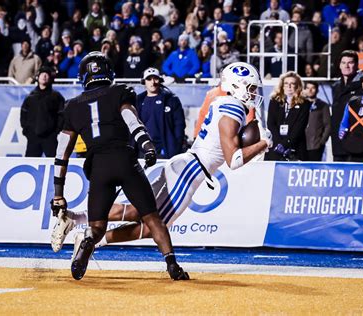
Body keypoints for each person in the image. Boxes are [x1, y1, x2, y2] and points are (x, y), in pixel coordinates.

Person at [51, 62, 272, 261]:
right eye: (250, 87)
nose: (253, 93)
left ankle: (75, 218)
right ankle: (94, 240)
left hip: (186, 164)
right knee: (154, 226)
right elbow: (233, 159)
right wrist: (264, 143)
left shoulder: (223, 102)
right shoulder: (232, 107)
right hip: (191, 170)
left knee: (141, 212)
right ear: (237, 85)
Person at [50, 52, 189, 281]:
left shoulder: (73, 106)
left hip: (99, 168)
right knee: (153, 218)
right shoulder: (120, 92)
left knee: (97, 227)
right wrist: (147, 145)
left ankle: (88, 242)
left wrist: (58, 195)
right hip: (125, 160)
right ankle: (171, 263)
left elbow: (61, 153)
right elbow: (131, 120)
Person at [136, 67, 185, 159]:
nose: (152, 82)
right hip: (144, 149)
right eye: (149, 79)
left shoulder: (171, 100)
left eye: (155, 78)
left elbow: (179, 125)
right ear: (144, 82)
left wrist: (176, 146)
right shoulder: (138, 101)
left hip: (166, 149)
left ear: (160, 80)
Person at [265, 71, 310, 161]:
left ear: (298, 86)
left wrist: (285, 144)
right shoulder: (274, 101)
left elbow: (300, 127)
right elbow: (271, 124)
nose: (289, 86)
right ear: (282, 85)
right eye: (286, 83)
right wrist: (279, 144)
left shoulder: (304, 103)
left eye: (292, 83)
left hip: (295, 147)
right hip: (276, 146)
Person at [20, 66, 65, 157]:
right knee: (30, 163)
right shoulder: (30, 97)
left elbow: (62, 114)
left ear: (50, 78)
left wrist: (56, 131)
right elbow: (23, 115)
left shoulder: (56, 96)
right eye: (42, 74)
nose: (44, 76)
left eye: (47, 74)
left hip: (50, 137)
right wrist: (28, 132)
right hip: (33, 138)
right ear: (38, 77)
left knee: (54, 164)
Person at [330, 50, 363, 161]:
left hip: (355, 139)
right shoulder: (335, 86)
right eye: (344, 62)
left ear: (356, 65)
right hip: (337, 141)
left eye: (350, 62)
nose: (347, 66)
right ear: (340, 65)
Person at [303, 81, 331, 161]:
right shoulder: (300, 103)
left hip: (315, 145)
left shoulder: (322, 105)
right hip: (301, 145)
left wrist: (322, 142)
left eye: (313, 88)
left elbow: (328, 125)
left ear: (317, 90)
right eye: (308, 88)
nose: (310, 90)